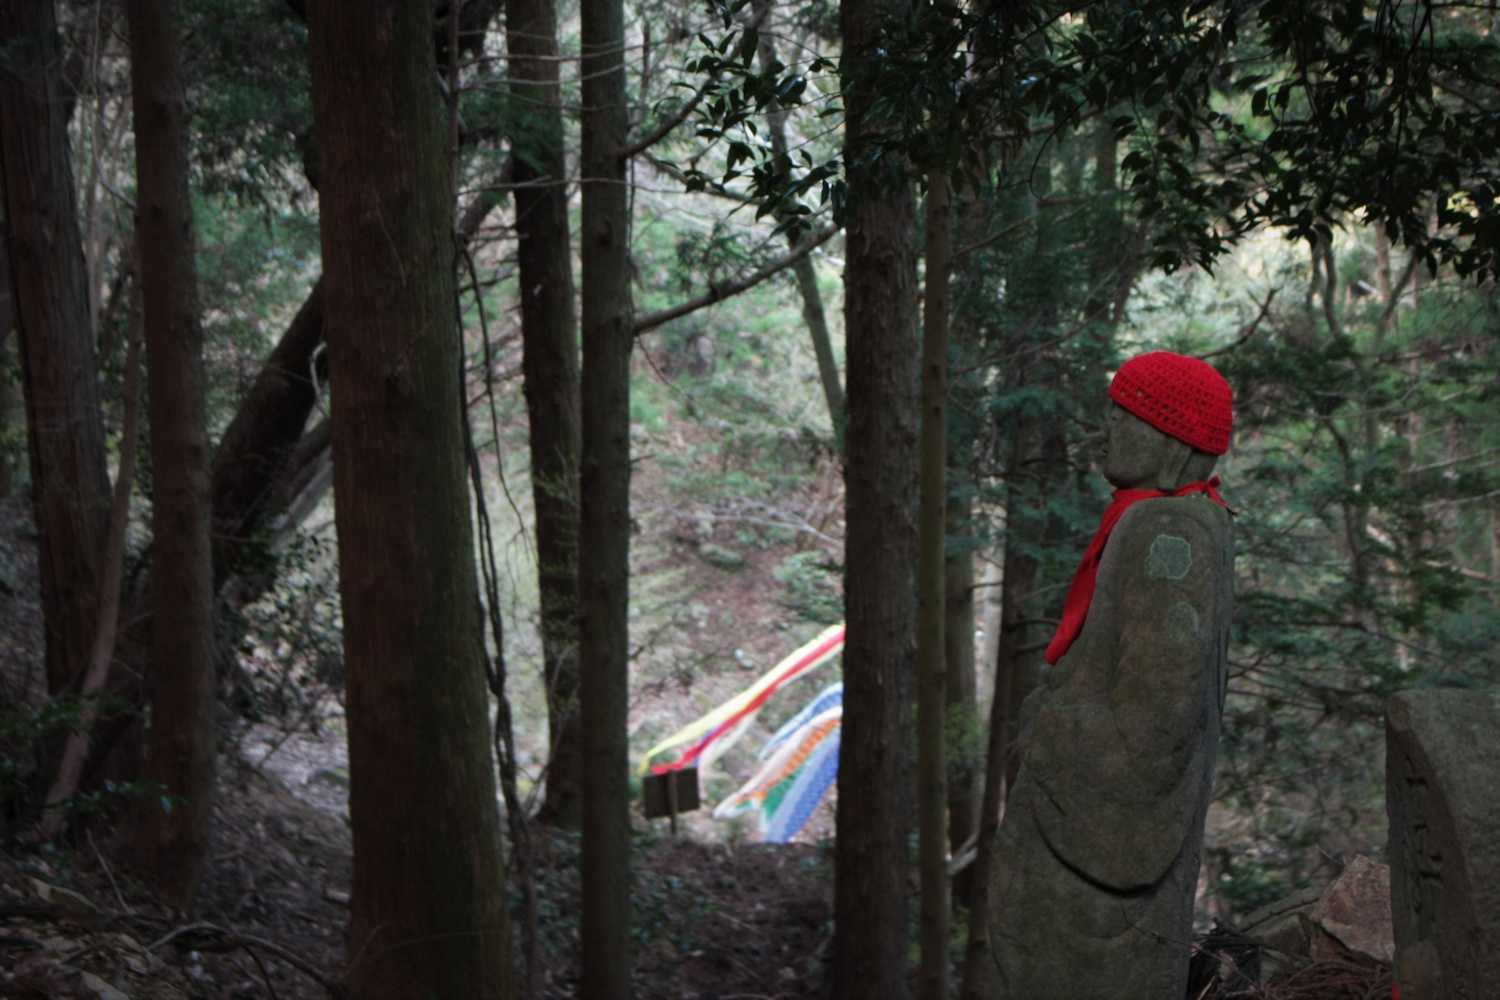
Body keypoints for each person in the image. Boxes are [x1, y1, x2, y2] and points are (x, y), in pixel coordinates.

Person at [989, 351, 1235, 999]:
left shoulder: (1169, 532)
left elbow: (1155, 724)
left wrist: (1046, 728)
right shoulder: (1171, 520)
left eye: (1127, 418)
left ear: (1173, 441)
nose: (1109, 431)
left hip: (1103, 843)